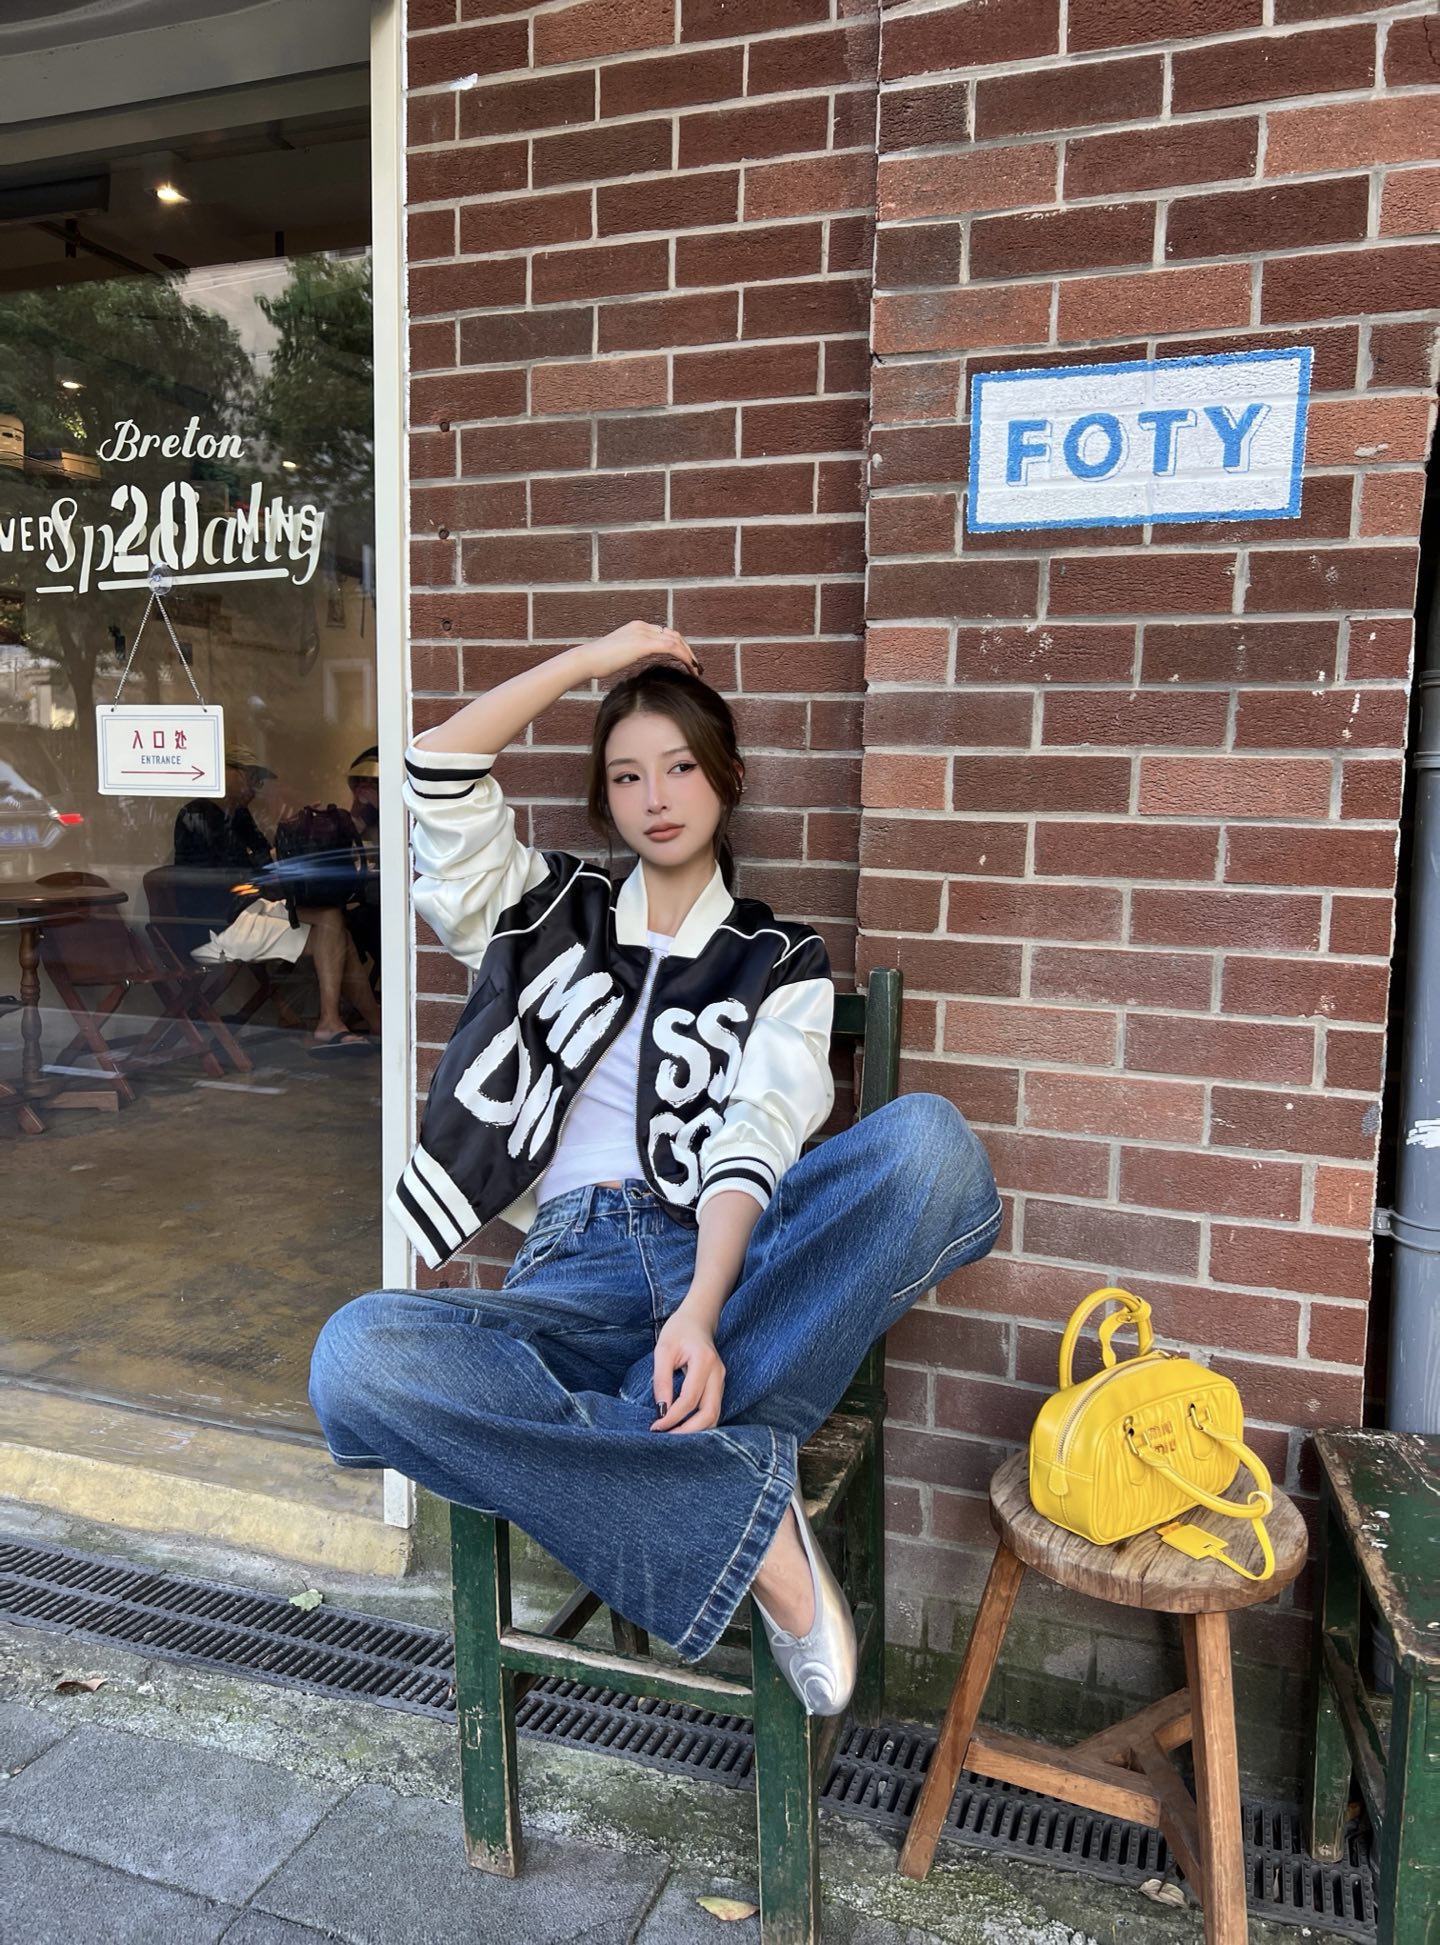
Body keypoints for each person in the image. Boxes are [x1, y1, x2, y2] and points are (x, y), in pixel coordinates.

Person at [307, 621, 1001, 1716]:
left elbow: (755, 1138)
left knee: (929, 1145)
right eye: (627, 775)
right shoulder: (541, 911)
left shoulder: (779, 958)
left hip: (724, 1266)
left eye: (679, 767)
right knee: (355, 1357)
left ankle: (660, 1442)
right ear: (605, 798)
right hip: (568, 1278)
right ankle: (747, 1517)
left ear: (727, 779)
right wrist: (592, 663)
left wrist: (700, 1312)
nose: (656, 797)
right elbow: (437, 765)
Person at [174, 742, 380, 1057]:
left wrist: (293, 832)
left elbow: (261, 862)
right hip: (216, 925)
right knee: (334, 930)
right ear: (225, 773)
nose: (254, 788)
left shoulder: (237, 814)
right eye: (251, 778)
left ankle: (360, 1023)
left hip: (244, 909)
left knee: (332, 918)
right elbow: (239, 873)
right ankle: (340, 1023)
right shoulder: (198, 814)